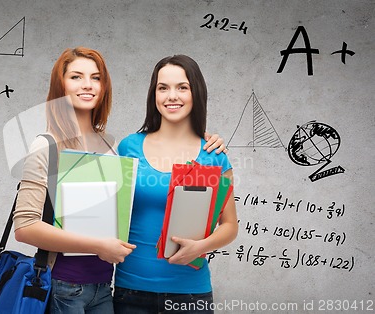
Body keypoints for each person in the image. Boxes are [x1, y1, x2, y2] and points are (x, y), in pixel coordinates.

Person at [12, 47, 227, 314]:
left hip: (104, 289)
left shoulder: (112, 146)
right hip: (63, 286)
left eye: (96, 78)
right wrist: (98, 246)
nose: (87, 85)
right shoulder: (46, 145)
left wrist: (198, 138)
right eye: (76, 77)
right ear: (60, 85)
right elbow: (25, 227)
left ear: (104, 86)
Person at [113, 55, 238, 314]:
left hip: (190, 293)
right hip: (130, 291)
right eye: (163, 88)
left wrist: (201, 246)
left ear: (196, 93)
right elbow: (112, 214)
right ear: (153, 95)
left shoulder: (214, 155)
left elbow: (230, 226)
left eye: (182, 87)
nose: (172, 96)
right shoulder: (128, 147)